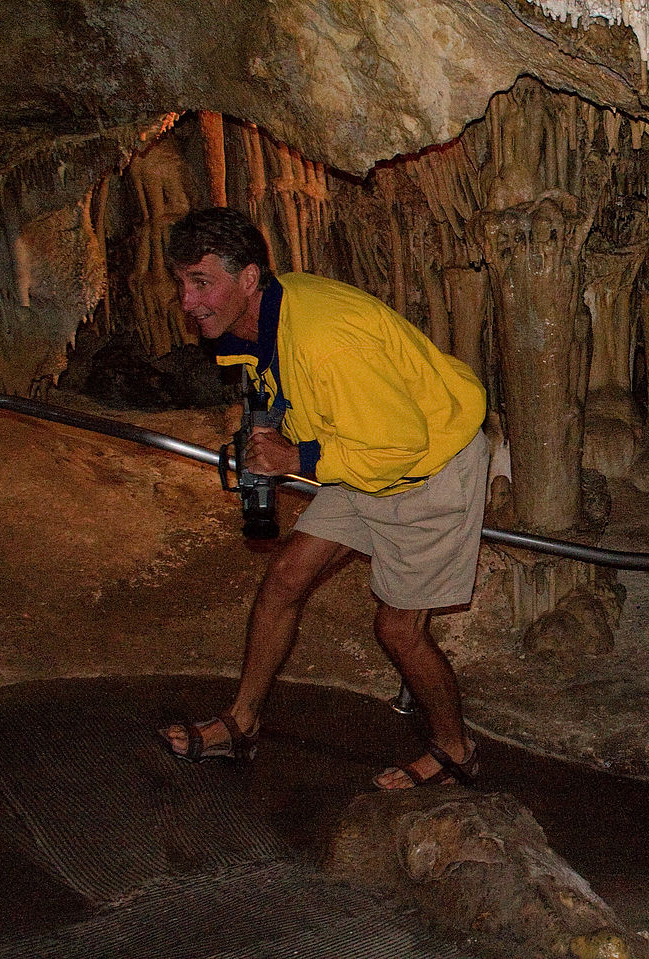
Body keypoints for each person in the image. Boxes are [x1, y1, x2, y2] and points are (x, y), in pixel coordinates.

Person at [158, 207, 490, 790]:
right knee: (285, 579)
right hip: (356, 456)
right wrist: (266, 436)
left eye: (201, 282)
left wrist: (296, 460)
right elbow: (274, 388)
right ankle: (241, 726)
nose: (186, 301)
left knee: (398, 629)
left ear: (249, 278)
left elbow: (400, 445)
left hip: (425, 472)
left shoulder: (323, 339)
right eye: (182, 283)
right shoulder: (264, 319)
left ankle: (455, 749)